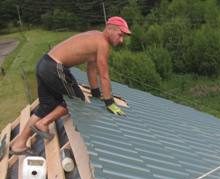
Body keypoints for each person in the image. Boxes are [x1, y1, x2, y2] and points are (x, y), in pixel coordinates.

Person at [10, 16, 131, 156]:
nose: (121, 40)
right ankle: (44, 123)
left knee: (46, 106)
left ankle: (19, 144)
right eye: (120, 35)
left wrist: (96, 93)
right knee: (76, 101)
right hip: (55, 68)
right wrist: (109, 102)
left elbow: (91, 69)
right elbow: (104, 75)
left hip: (44, 64)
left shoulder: (95, 37)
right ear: (110, 29)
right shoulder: (103, 43)